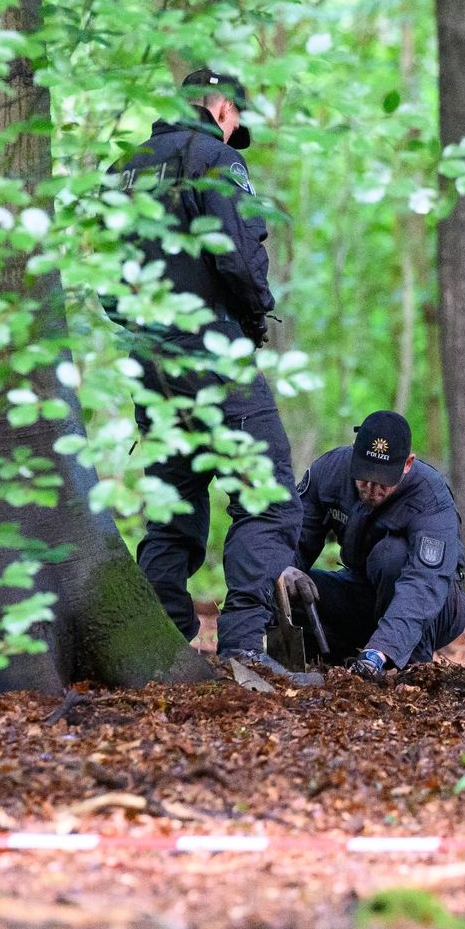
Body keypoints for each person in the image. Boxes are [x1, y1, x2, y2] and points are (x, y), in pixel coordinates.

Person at [114, 68, 305, 682]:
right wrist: (252, 317)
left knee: (173, 501)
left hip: (151, 366)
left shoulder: (124, 169)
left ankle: (160, 645)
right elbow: (241, 255)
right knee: (268, 495)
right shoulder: (213, 158)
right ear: (221, 105)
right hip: (215, 356)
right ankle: (245, 646)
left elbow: (103, 278)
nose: (235, 132)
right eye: (236, 120)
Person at [279, 411, 465, 682]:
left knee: (391, 556)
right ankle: (338, 667)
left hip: (435, 604)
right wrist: (285, 568)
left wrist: (382, 649)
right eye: (365, 475)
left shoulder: (431, 497)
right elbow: (293, 536)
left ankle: (407, 670)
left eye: (383, 479)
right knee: (296, 586)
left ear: (407, 464)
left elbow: (424, 583)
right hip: (363, 590)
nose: (371, 487)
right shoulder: (330, 470)